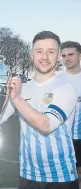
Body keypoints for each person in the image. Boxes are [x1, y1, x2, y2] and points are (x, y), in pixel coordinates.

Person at [0, 31, 79, 189]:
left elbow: (46, 125)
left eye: (51, 52)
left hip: (60, 176)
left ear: (58, 57)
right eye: (39, 51)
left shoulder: (66, 88)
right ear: (31, 55)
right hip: (28, 174)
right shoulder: (22, 89)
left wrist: (17, 98)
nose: (44, 57)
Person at [59, 41, 81, 189]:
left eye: (71, 54)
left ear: (80, 55)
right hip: (62, 137)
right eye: (64, 55)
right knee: (65, 177)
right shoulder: (57, 80)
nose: (67, 58)